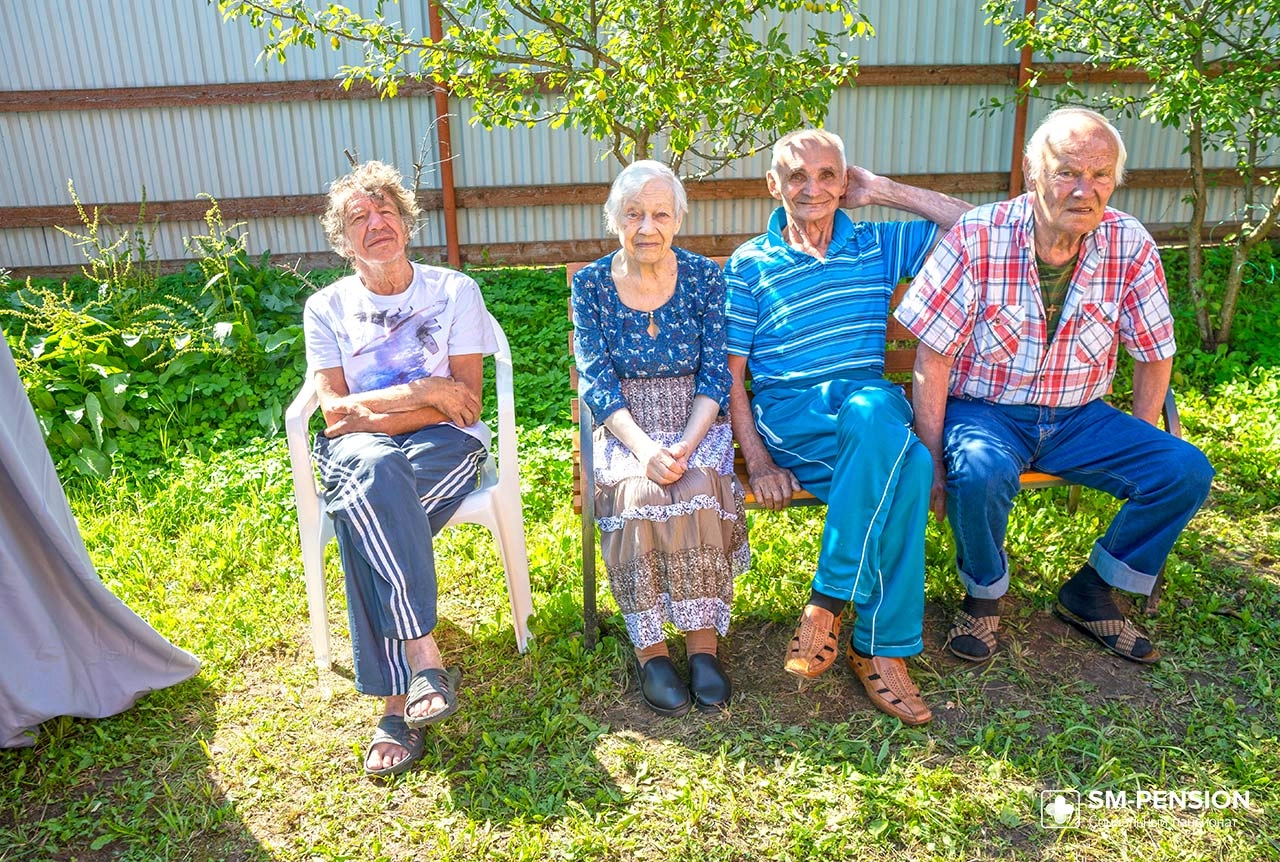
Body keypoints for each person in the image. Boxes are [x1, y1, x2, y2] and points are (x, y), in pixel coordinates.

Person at [896, 108, 1214, 665]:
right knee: (979, 467)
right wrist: (933, 460)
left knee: (1182, 470)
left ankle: (1091, 590)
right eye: (1067, 172)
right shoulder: (980, 234)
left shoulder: (1129, 242)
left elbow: (1153, 353)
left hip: (1080, 417)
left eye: (1100, 175)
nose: (1084, 191)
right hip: (987, 410)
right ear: (1032, 170)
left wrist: (1138, 439)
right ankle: (983, 596)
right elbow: (933, 356)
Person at [724, 129, 972, 726]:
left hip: (868, 408)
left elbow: (977, 230)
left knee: (883, 429)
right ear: (772, 185)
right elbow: (732, 374)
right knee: (908, 466)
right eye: (797, 176)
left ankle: (829, 604)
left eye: (828, 175)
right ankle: (881, 649)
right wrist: (757, 461)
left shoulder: (878, 243)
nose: (813, 189)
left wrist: (885, 191)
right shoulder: (749, 264)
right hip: (794, 419)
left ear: (845, 181)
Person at [303, 160, 498, 775]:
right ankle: (421, 656)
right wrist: (423, 388)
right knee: (375, 478)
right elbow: (333, 414)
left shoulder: (455, 292)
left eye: (386, 209)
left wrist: (382, 413)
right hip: (362, 450)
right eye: (358, 217)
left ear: (407, 222)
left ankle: (393, 704)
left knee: (369, 507)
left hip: (443, 445)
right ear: (343, 240)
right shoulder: (325, 307)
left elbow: (465, 401)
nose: (376, 223)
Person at [573, 160, 748, 717]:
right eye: (633, 214)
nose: (646, 227)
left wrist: (686, 443)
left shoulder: (703, 277)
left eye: (659, 214)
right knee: (641, 496)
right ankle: (651, 652)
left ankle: (703, 647)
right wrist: (645, 448)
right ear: (613, 219)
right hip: (625, 424)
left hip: (696, 420)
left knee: (697, 483)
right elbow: (596, 380)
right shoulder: (591, 285)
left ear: (678, 221)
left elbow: (716, 375)